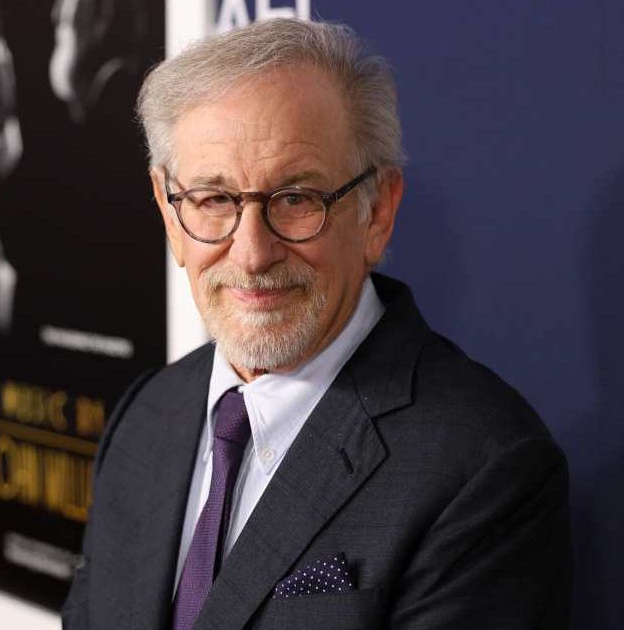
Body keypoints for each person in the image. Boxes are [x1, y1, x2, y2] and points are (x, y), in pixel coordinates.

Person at [62, 18, 571, 629]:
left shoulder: (484, 465)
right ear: (170, 215)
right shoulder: (145, 417)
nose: (251, 254)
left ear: (377, 211)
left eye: (297, 199)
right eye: (214, 200)